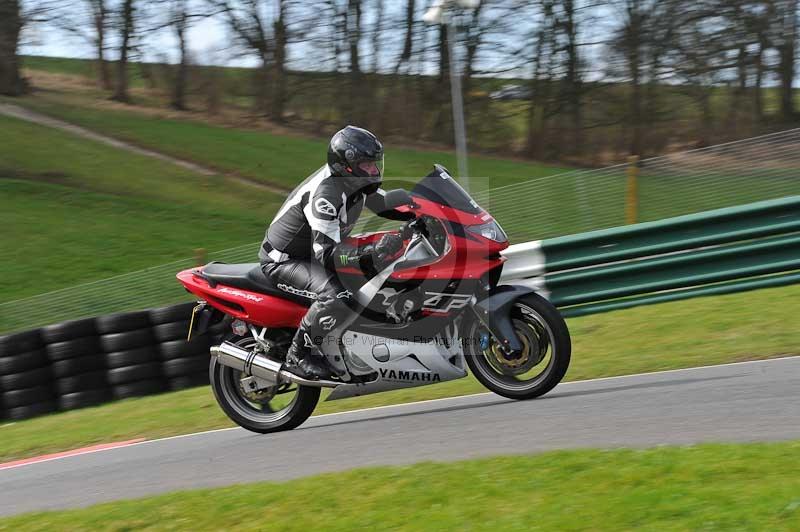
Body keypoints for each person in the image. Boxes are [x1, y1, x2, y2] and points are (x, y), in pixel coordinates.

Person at [259, 125, 414, 380]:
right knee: (337, 294)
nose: (374, 170)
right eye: (367, 165)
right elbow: (327, 255)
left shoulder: (357, 184)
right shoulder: (326, 195)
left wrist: (427, 211)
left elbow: (386, 206)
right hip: (286, 260)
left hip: (314, 253)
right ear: (347, 164)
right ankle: (298, 354)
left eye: (375, 164)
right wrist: (373, 251)